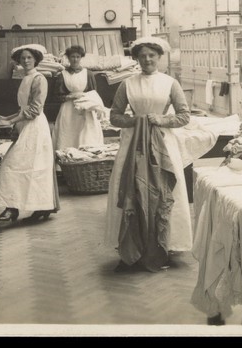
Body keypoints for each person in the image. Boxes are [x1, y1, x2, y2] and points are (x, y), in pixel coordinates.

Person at [104, 36, 192, 272]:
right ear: (137, 59)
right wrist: (136, 121)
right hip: (133, 144)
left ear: (159, 57)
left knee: (164, 190)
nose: (147, 59)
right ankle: (130, 247)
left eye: (152, 55)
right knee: (132, 189)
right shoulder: (128, 84)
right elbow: (114, 115)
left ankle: (167, 245)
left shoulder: (170, 83)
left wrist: (161, 119)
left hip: (163, 143)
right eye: (142, 56)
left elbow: (184, 115)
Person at [0, 44, 59, 230]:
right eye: (22, 58)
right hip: (25, 125)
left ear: (35, 59)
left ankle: (21, 209)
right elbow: (23, 109)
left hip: (35, 127)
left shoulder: (39, 78)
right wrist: (8, 118)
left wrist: (12, 121)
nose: (25, 61)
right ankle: (20, 207)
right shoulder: (25, 78)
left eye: (29, 58)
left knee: (16, 165)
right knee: (26, 166)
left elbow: (35, 110)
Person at [53, 45, 105, 151]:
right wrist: (70, 96)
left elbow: (94, 93)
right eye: (72, 57)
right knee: (68, 135)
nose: (75, 59)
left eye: (78, 57)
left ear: (81, 58)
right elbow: (56, 96)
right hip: (68, 110)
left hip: (85, 109)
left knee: (86, 135)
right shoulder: (62, 75)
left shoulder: (88, 74)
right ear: (68, 58)